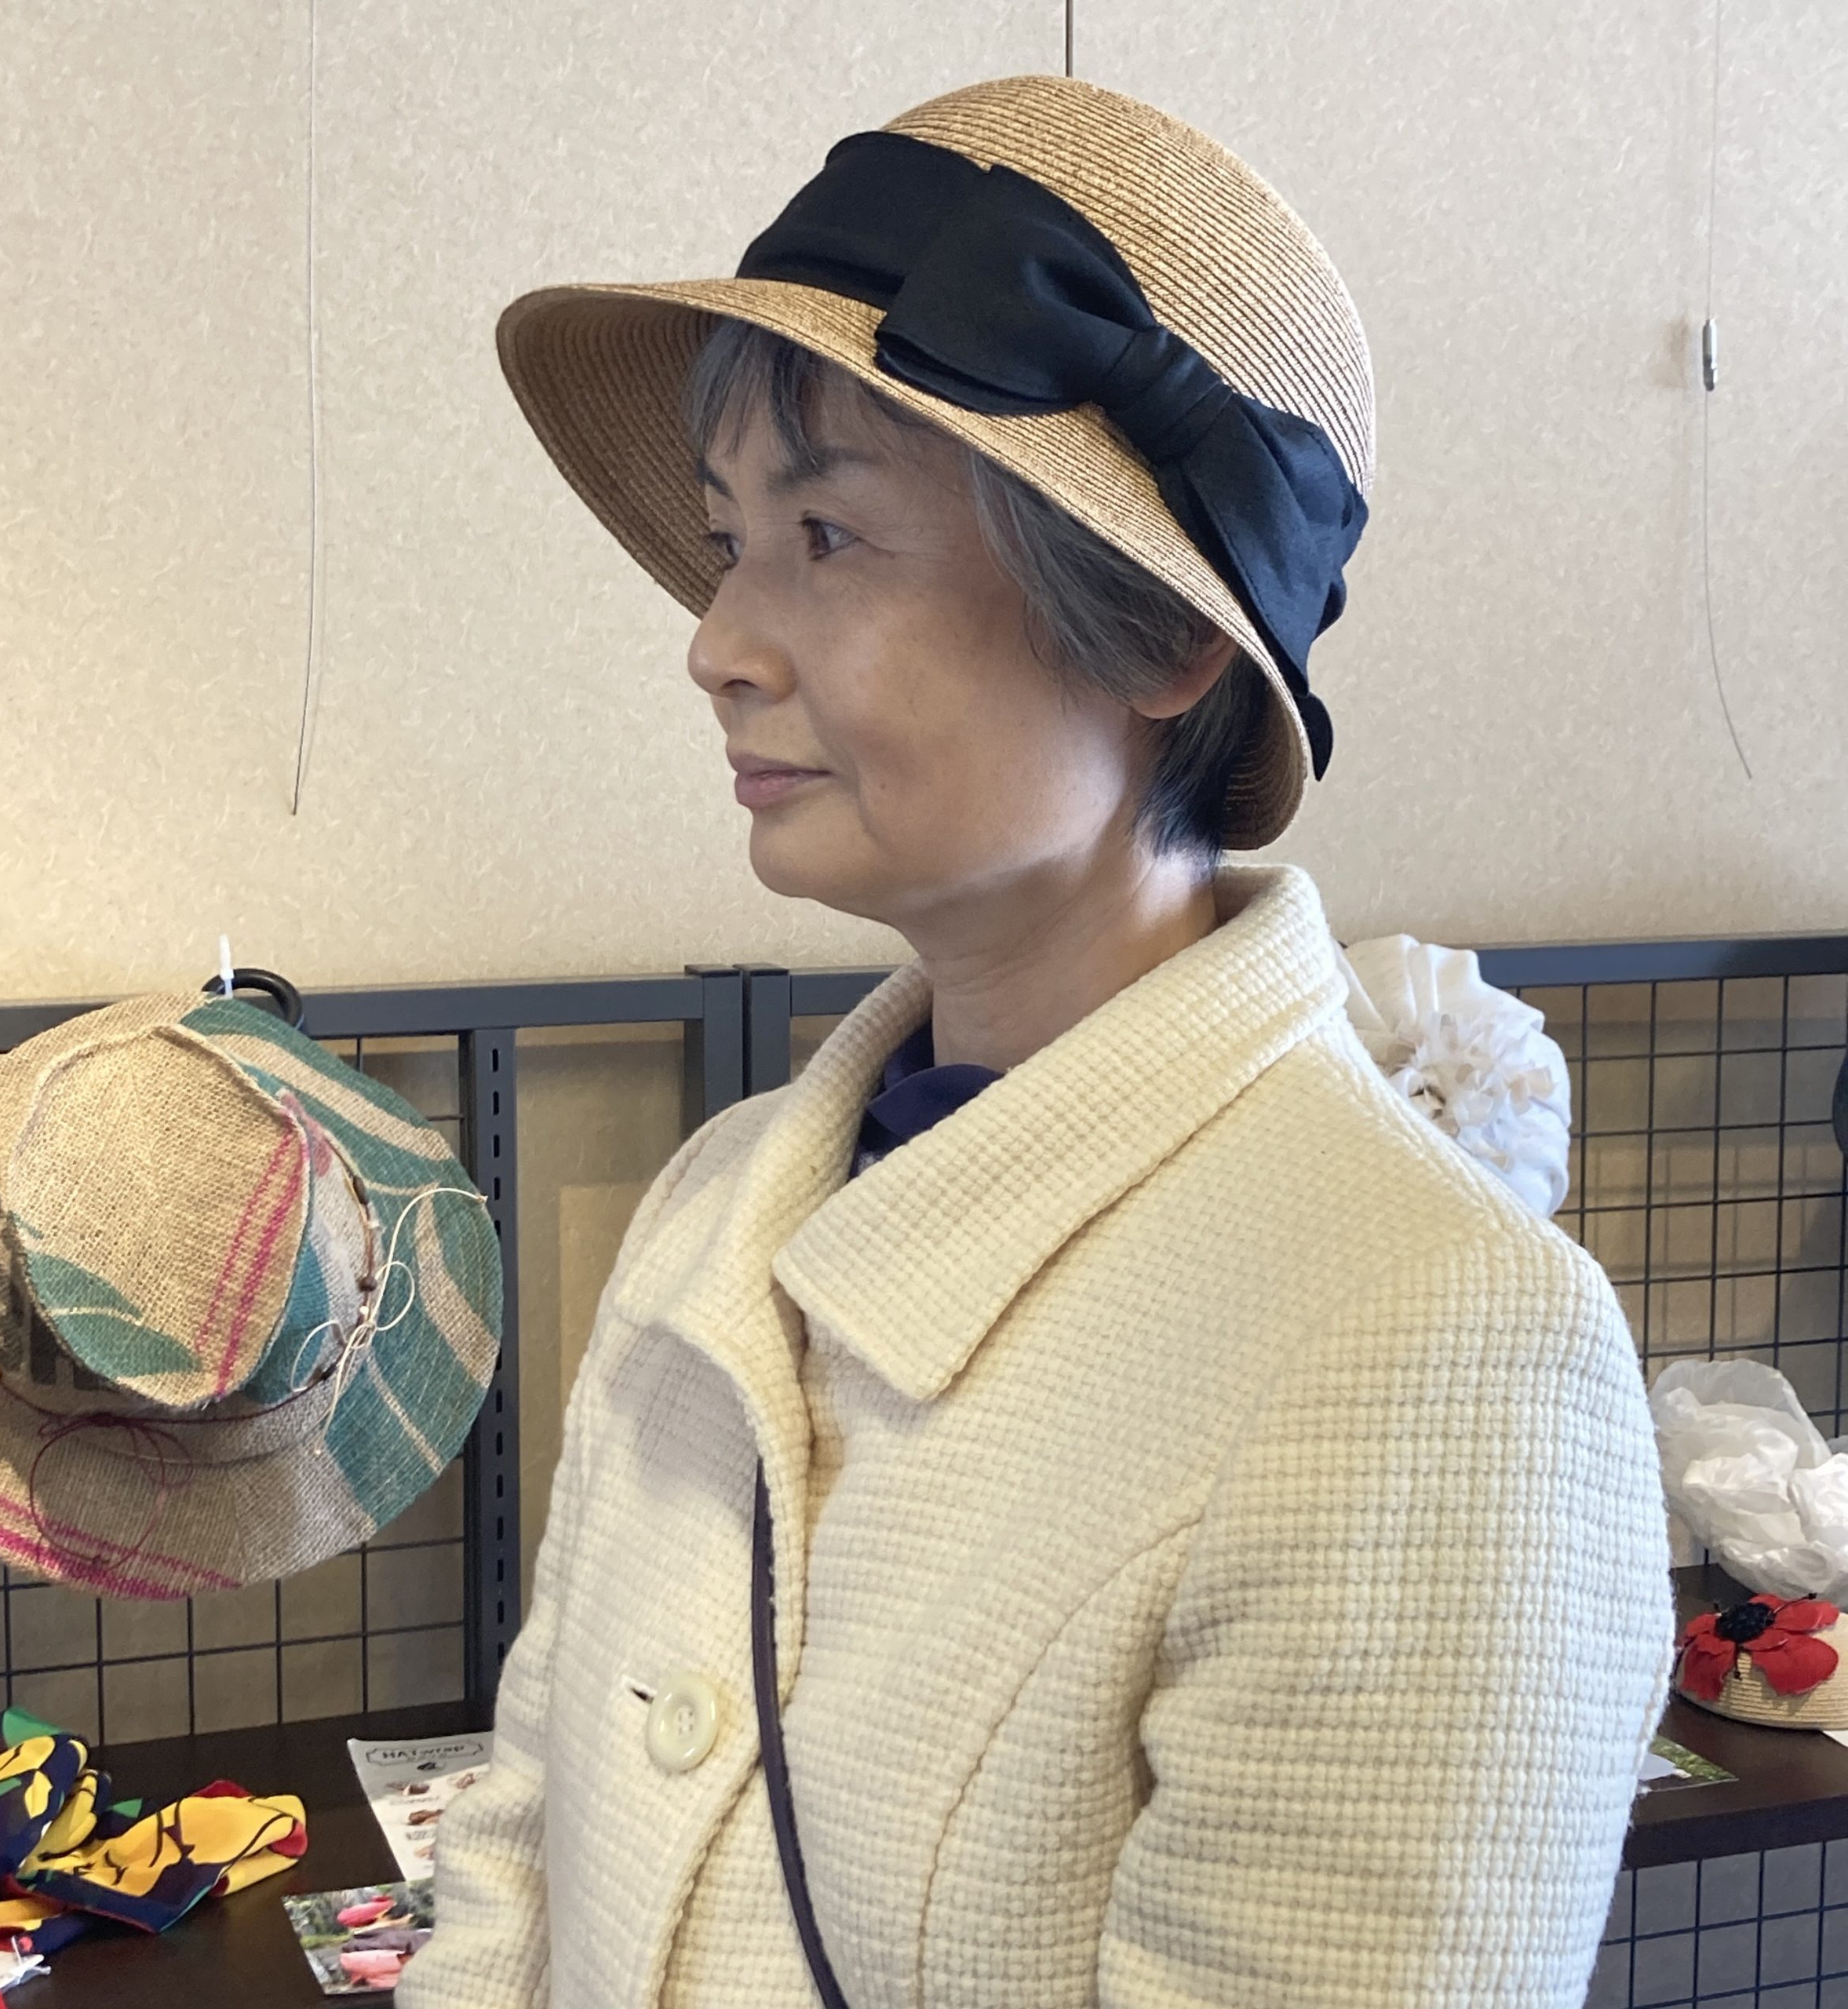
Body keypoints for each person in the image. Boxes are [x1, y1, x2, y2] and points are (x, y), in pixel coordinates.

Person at [403, 74, 1673, 2009]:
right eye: (729, 533)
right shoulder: (713, 1200)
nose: (716, 639)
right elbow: (517, 1844)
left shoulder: (1430, 1343)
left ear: (1158, 638)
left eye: (827, 534)